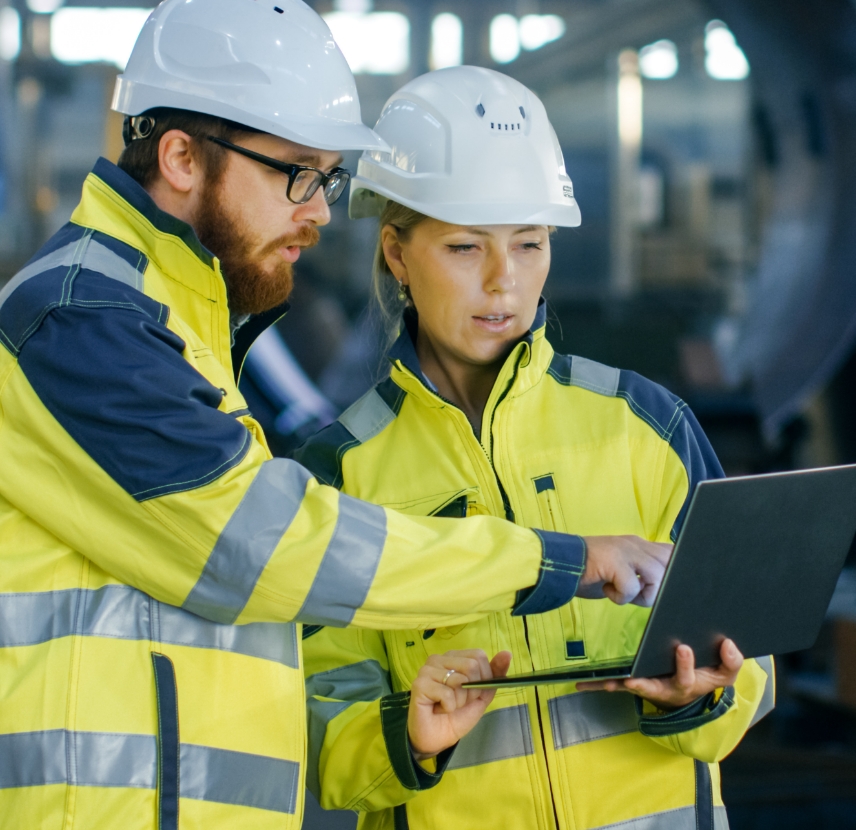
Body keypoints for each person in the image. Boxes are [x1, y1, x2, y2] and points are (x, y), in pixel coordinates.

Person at [0, 0, 671, 830]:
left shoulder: (175, 318)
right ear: (179, 158)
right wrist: (551, 561)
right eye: (297, 175)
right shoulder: (82, 317)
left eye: (327, 177)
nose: (320, 210)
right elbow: (261, 546)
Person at [296, 66, 775, 830]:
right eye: (463, 247)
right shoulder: (340, 474)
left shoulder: (646, 425)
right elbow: (318, 728)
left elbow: (755, 654)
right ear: (395, 254)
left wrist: (708, 693)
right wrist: (408, 737)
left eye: (529, 243)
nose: (503, 282)